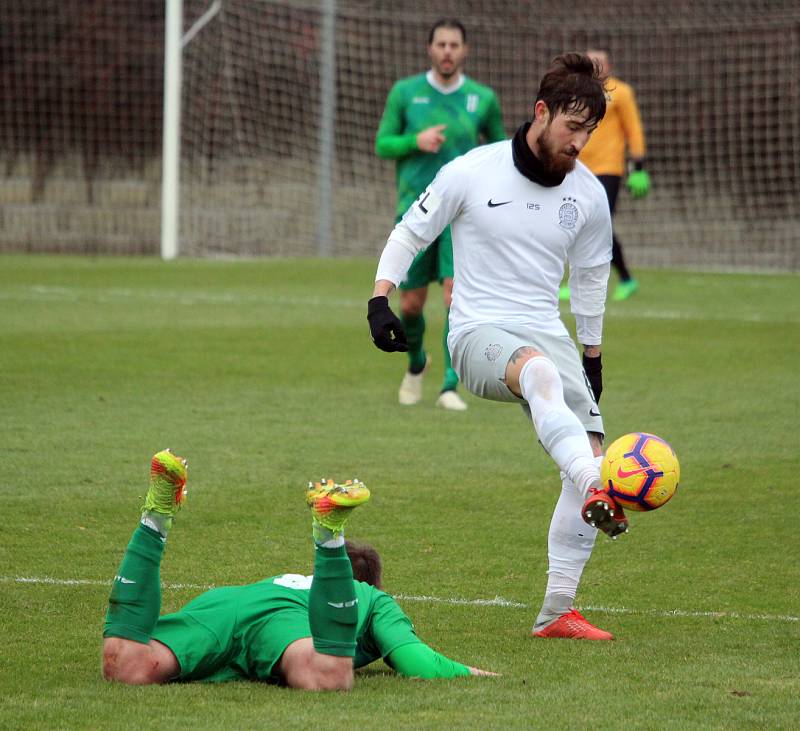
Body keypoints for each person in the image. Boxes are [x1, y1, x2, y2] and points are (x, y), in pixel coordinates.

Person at [367, 54, 628, 641]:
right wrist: (381, 299)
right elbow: (411, 231)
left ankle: (557, 610)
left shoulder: (588, 197)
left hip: (547, 330)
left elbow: (589, 280)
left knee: (589, 445)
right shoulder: (472, 171)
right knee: (539, 380)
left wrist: (592, 354)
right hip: (476, 333)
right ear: (542, 112)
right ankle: (595, 489)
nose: (580, 143)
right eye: (572, 127)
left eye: (590, 132)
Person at [101, 449, 496, 689]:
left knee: (124, 663)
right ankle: (329, 536)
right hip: (284, 625)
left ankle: (155, 518)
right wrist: (477, 674)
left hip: (227, 605)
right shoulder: (372, 599)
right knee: (329, 678)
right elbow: (417, 662)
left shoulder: (284, 583)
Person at [375, 18, 506, 411]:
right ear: (430, 49)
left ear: (464, 50)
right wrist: (415, 141)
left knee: (455, 296)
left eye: (454, 45)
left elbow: (500, 152)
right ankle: (416, 363)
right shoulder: (405, 93)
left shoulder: (482, 98)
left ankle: (450, 385)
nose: (447, 51)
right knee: (411, 304)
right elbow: (383, 144)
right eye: (441, 44)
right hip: (416, 210)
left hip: (464, 216)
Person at [560, 48, 649, 302]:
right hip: (577, 168)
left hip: (609, 169)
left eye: (599, 63)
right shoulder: (576, 94)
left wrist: (638, 164)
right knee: (575, 223)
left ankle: (625, 278)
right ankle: (583, 281)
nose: (595, 68)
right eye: (590, 64)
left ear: (608, 66)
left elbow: (633, 129)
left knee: (599, 224)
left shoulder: (621, 93)